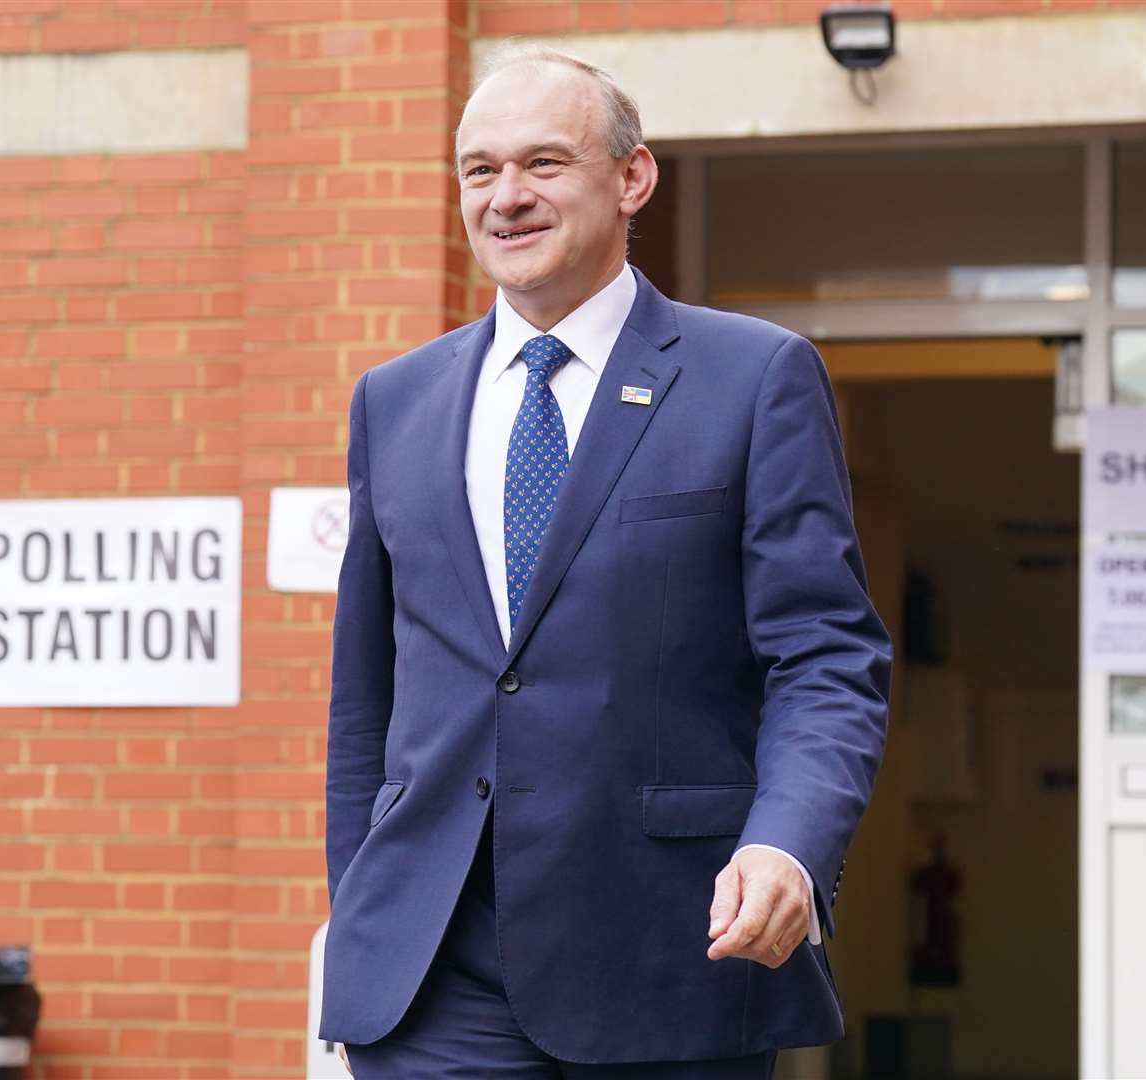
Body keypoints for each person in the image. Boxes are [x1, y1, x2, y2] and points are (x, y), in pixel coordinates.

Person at [320, 43, 892, 1078]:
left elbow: (825, 655)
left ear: (633, 179)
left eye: (543, 163)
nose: (506, 198)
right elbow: (367, 690)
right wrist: (361, 899)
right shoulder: (391, 404)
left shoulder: (752, 378)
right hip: (432, 971)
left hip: (664, 956)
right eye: (480, 170)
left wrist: (787, 843)